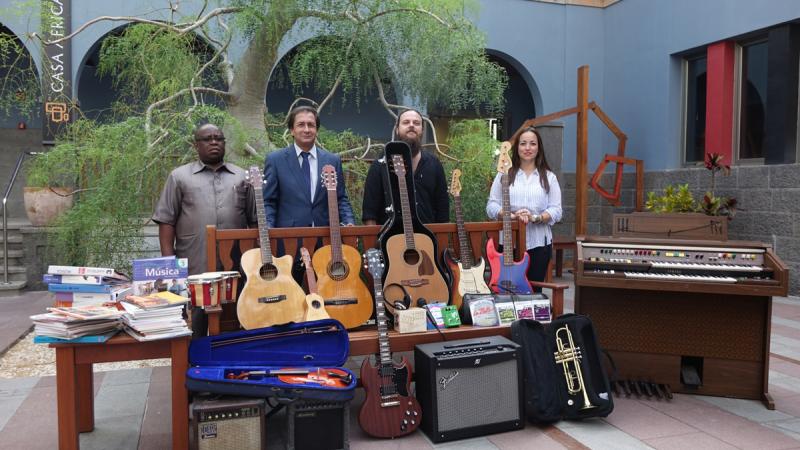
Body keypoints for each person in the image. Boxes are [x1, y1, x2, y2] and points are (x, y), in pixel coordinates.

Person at [152, 123, 257, 336]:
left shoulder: (242, 177)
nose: (214, 142)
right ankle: (194, 364)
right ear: (196, 145)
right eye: (207, 139)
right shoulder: (179, 177)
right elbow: (166, 221)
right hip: (194, 259)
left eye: (218, 138)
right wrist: (169, 264)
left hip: (235, 261)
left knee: (233, 316)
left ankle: (229, 364)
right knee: (195, 321)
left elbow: (254, 221)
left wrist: (253, 260)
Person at [486, 126, 562, 289]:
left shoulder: (549, 177)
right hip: (508, 243)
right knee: (507, 290)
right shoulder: (504, 174)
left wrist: (537, 217)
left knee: (533, 290)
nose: (528, 148)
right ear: (517, 147)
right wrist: (511, 215)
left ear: (539, 147)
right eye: (523, 143)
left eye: (532, 144)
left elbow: (557, 210)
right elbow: (491, 206)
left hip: (538, 244)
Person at [262, 105, 355, 228]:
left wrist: (349, 222)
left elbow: (341, 198)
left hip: (326, 237)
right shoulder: (275, 160)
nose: (306, 130)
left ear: (316, 130)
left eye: (311, 125)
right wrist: (268, 228)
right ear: (292, 130)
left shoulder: (332, 161)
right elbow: (268, 201)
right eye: (301, 125)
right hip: (290, 238)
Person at [362, 108, 449, 225]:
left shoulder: (434, 163)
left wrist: (440, 241)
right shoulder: (381, 163)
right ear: (397, 129)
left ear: (422, 130)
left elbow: (443, 210)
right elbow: (369, 212)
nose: (411, 125)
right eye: (406, 122)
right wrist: (374, 242)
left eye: (416, 123)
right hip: (390, 239)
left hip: (427, 239)